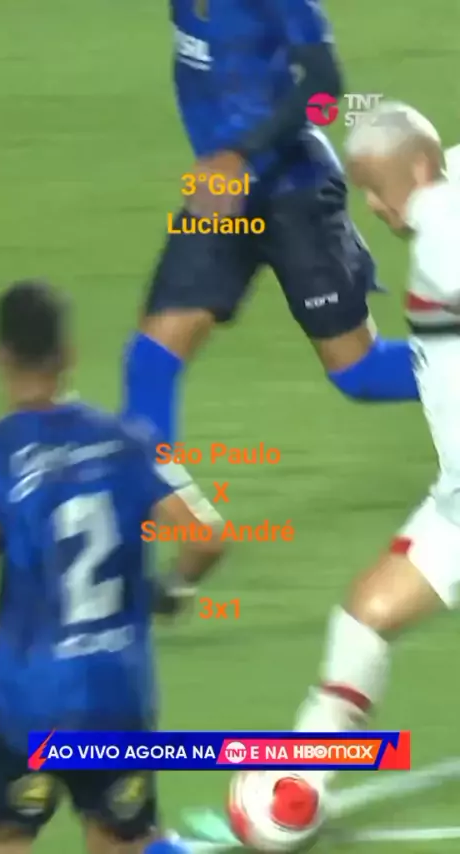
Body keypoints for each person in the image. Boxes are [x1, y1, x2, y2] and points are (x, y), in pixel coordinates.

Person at [267, 102, 460, 844]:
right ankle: (302, 782)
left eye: (378, 190)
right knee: (365, 616)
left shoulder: (440, 228)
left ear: (418, 170)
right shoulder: (443, 190)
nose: (374, 208)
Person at [0, 281, 224, 854]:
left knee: (0, 835)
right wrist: (173, 588)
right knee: (124, 840)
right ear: (68, 353)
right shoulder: (128, 440)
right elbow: (207, 537)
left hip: (27, 705)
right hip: (118, 697)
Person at [122, 0, 420, 450]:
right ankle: (151, 495)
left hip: (296, 194)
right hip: (223, 198)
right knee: (150, 360)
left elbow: (325, 86)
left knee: (360, 371)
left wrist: (241, 153)